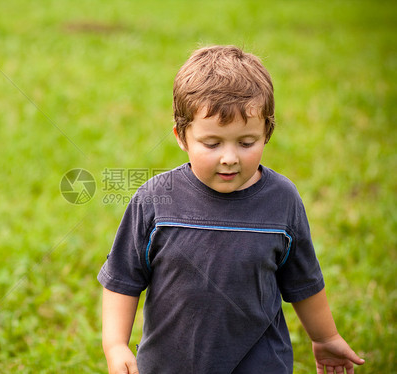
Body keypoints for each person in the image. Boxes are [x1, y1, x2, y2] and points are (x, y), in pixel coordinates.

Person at [97, 45, 365, 373]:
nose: (229, 157)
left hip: (261, 363)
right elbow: (123, 278)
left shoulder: (282, 200)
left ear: (267, 132)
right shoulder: (156, 199)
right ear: (182, 136)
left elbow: (303, 280)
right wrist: (115, 345)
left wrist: (325, 338)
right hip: (170, 365)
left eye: (246, 142)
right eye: (212, 144)